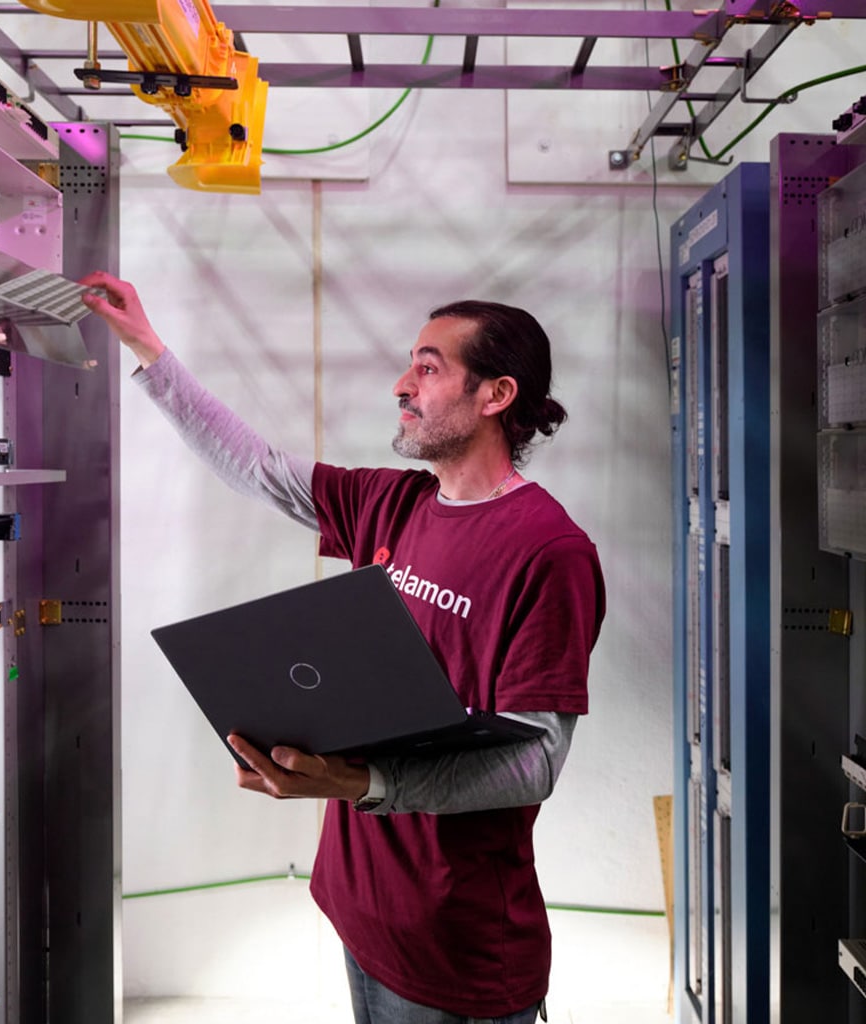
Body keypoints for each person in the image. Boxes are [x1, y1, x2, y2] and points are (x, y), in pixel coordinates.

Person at [82, 273, 606, 1024]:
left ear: (495, 396)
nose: (403, 384)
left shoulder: (549, 551)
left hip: (455, 945)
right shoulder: (390, 502)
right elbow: (258, 466)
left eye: (428, 367)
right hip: (361, 908)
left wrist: (364, 784)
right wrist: (146, 346)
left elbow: (535, 761)